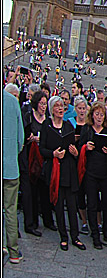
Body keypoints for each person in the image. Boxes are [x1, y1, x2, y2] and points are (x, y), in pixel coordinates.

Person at [40, 94, 84, 251]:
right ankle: (63, 237)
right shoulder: (47, 125)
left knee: (72, 205)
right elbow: (42, 149)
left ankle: (75, 236)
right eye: (57, 106)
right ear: (52, 109)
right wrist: (54, 154)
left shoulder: (68, 126)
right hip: (55, 169)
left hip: (69, 169)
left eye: (62, 106)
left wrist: (74, 152)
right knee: (59, 206)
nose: (60, 109)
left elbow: (74, 147)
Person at [79, 101, 107, 250]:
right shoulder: (87, 129)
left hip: (106, 172)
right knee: (92, 203)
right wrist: (85, 147)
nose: (100, 117)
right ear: (92, 115)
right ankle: (95, 234)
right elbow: (79, 148)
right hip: (91, 171)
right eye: (97, 114)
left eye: (102, 114)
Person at [21, 91, 54, 236]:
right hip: (31, 158)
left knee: (45, 190)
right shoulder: (28, 116)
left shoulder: (48, 119)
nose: (43, 106)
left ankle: (48, 220)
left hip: (44, 159)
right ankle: (31, 222)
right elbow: (24, 137)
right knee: (32, 191)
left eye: (45, 104)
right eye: (41, 103)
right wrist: (32, 138)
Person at [3, 83, 25, 264]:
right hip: (10, 166)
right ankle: (13, 251)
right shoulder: (12, 101)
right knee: (10, 210)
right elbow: (20, 138)